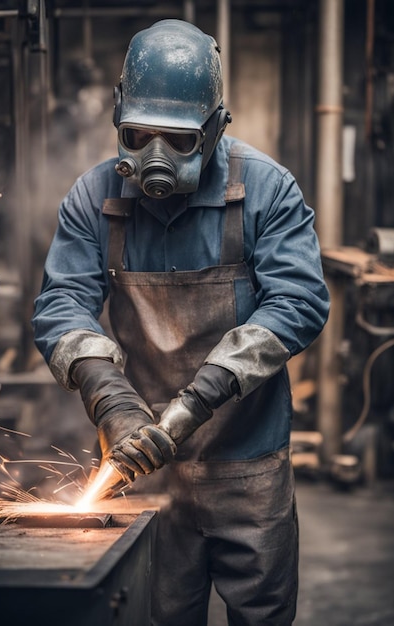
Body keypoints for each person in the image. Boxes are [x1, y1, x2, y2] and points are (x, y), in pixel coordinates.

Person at [32, 19, 329, 626]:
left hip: (247, 467)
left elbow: (298, 300)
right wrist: (112, 401)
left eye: (179, 141)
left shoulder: (267, 191)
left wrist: (198, 399)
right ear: (117, 116)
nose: (154, 158)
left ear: (217, 128)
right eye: (137, 136)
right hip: (147, 474)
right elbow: (61, 302)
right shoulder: (94, 200)